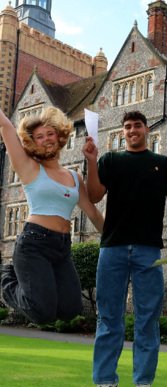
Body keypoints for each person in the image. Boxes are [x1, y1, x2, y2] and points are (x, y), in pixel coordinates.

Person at [82, 110, 167, 387]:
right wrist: (91, 160)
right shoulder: (111, 161)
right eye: (127, 126)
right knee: (108, 318)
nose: (132, 130)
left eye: (137, 125)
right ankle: (105, 382)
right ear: (122, 132)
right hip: (112, 248)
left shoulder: (163, 164)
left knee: (147, 321)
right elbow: (94, 194)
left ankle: (143, 385)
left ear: (146, 130)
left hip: (148, 251)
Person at [0, 106, 104, 325]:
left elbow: (93, 213)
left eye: (50, 133)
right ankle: (4, 277)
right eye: (39, 137)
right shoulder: (29, 167)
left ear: (60, 136)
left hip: (62, 247)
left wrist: (117, 239)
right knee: (42, 313)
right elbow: (6, 126)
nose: (46, 139)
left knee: (71, 309)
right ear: (31, 143)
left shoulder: (74, 177)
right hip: (34, 244)